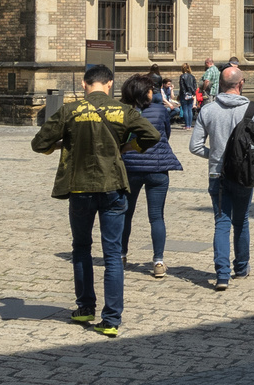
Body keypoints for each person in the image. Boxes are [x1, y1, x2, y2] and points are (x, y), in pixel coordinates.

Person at [31, 63, 159, 336]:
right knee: (112, 254)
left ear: (84, 85)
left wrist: (62, 143)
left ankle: (85, 306)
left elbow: (39, 143)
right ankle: (111, 320)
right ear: (110, 84)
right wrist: (128, 146)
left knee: (81, 248)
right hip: (113, 186)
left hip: (80, 188)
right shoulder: (123, 111)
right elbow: (153, 135)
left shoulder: (70, 110)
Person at [189, 65, 254, 291]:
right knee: (241, 220)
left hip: (217, 173)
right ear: (241, 84)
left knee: (221, 222)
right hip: (243, 174)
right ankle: (241, 267)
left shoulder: (208, 110)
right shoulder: (253, 109)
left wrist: (215, 155)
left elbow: (194, 146)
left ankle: (222, 275)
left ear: (220, 84)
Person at [117, 73, 183, 279]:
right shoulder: (160, 110)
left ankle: (121, 255)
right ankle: (158, 261)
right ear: (143, 93)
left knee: (126, 214)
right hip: (158, 167)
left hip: (131, 167)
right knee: (156, 216)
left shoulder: (124, 112)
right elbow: (166, 134)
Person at [176, 63, 198, 128]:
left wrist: (184, 94)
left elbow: (182, 86)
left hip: (184, 95)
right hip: (191, 94)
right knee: (189, 110)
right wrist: (193, 94)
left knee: (185, 109)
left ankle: (187, 125)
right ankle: (190, 125)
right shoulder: (192, 76)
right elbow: (195, 86)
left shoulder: (182, 76)